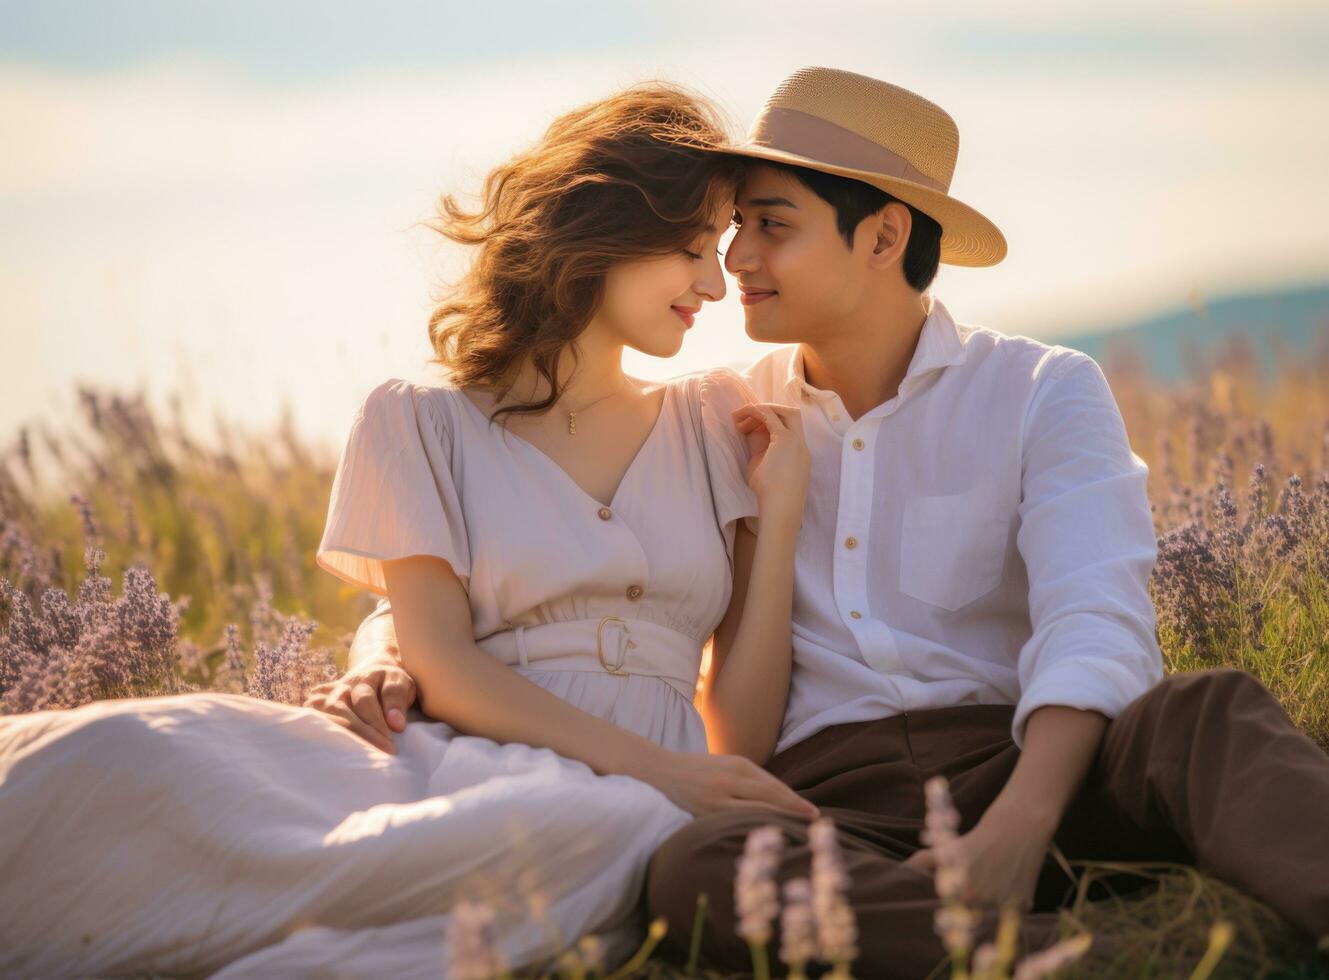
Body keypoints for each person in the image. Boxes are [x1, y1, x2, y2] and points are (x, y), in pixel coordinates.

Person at [337, 67, 1329, 977]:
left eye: (771, 225)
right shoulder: (727, 414)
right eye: (729, 232)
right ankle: (1079, 957)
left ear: (884, 237)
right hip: (832, 805)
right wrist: (389, 638)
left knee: (1207, 712)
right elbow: (556, 531)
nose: (735, 261)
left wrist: (1023, 818)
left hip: (1027, 760)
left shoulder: (1038, 388)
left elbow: (1096, 617)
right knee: (695, 865)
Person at [0, 82, 819, 979]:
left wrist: (775, 522)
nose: (714, 281)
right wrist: (660, 773)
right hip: (457, 763)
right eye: (692, 249)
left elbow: (735, 734)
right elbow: (443, 663)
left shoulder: (716, 424)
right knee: (124, 755)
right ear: (603, 235)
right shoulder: (421, 422)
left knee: (587, 829)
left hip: (629, 806)